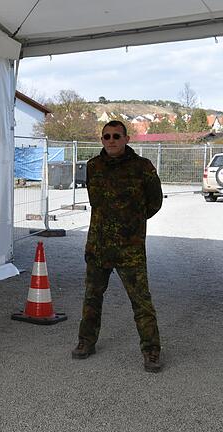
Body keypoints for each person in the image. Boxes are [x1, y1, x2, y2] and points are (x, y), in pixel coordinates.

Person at [71, 120, 164, 373]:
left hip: (129, 249)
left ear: (126, 139)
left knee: (141, 302)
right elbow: (95, 201)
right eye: (106, 137)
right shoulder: (93, 167)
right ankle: (86, 342)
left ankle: (151, 351)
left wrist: (131, 224)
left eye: (115, 136)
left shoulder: (142, 167)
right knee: (92, 297)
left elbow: (154, 202)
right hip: (99, 245)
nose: (110, 140)